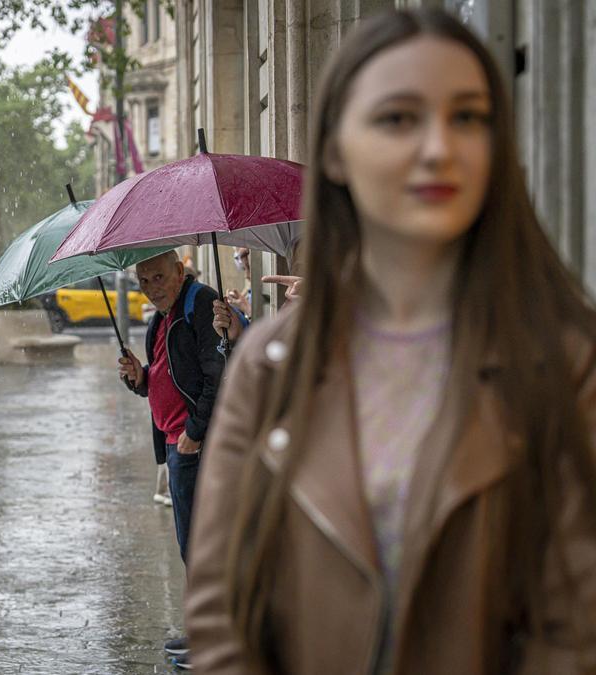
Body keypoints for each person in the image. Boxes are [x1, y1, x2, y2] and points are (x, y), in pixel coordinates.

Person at [185, 8, 596, 674]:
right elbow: (220, 618)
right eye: (399, 118)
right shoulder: (269, 365)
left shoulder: (566, 358)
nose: (439, 147)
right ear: (337, 152)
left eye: (468, 117)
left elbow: (576, 632)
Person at [117, 249, 225, 665]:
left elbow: (217, 376)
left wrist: (194, 434)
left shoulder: (200, 306)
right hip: (176, 444)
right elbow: (165, 380)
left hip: (196, 445)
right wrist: (139, 378)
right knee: (190, 545)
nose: (151, 289)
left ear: (180, 271)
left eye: (159, 278)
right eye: (144, 282)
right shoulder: (161, 319)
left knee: (204, 544)